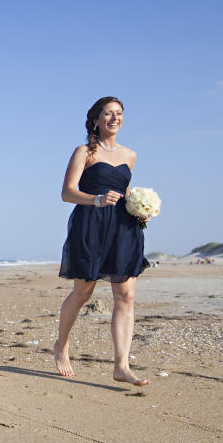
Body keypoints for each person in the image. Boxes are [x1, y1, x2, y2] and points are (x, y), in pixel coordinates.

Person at [54, 96, 149, 386]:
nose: (114, 118)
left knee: (126, 296)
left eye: (118, 113)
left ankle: (121, 365)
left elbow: (126, 191)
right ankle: (61, 345)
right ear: (96, 119)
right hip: (91, 225)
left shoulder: (130, 155)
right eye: (108, 113)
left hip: (124, 227)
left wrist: (141, 209)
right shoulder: (84, 151)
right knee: (83, 292)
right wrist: (96, 199)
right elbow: (67, 193)